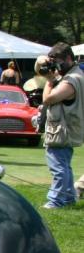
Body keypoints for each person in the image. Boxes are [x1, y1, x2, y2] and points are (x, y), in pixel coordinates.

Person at [40, 42, 84, 208]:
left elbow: (48, 99)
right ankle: (69, 198)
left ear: (67, 58)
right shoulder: (74, 75)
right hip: (64, 129)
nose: (55, 66)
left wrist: (50, 81)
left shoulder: (72, 79)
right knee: (64, 166)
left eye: (56, 61)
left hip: (62, 131)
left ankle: (55, 200)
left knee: (58, 168)